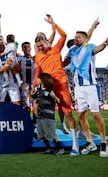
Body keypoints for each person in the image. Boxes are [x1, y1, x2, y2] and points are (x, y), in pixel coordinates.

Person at [33, 14, 79, 156]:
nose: (40, 47)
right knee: (38, 110)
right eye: (38, 46)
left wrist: (53, 23)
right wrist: (35, 84)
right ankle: (46, 138)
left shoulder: (56, 49)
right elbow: (38, 72)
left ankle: (75, 145)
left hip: (62, 85)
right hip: (48, 88)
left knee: (68, 113)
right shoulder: (38, 57)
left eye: (42, 45)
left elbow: (64, 35)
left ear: (47, 42)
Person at [69, 29, 108, 158]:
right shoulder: (73, 52)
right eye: (75, 37)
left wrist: (104, 44)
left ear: (85, 39)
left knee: (95, 115)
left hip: (90, 86)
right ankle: (90, 142)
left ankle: (104, 143)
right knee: (81, 115)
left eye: (78, 37)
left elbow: (97, 49)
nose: (75, 39)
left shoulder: (88, 49)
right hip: (78, 88)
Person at [26, 73, 65, 156]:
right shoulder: (39, 91)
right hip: (40, 116)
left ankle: (60, 148)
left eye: (38, 79)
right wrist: (27, 91)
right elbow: (31, 99)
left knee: (51, 134)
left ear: (43, 80)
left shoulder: (50, 91)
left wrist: (54, 96)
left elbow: (58, 101)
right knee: (41, 135)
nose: (37, 80)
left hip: (49, 116)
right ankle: (49, 148)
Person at [0, 40, 21, 106]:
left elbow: (18, 69)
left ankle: (18, 116)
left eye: (2, 44)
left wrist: (12, 65)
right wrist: (2, 69)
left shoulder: (11, 54)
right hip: (1, 84)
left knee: (17, 104)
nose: (1, 46)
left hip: (12, 82)